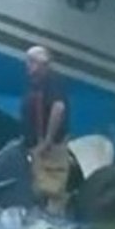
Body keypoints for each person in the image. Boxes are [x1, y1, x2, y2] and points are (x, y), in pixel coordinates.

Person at [20, 45, 71, 216]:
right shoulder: (37, 84)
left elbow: (58, 107)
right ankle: (45, 216)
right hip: (38, 145)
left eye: (31, 61)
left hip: (49, 146)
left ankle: (54, 220)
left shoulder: (52, 81)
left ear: (43, 64)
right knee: (41, 184)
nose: (28, 65)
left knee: (52, 185)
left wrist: (48, 140)